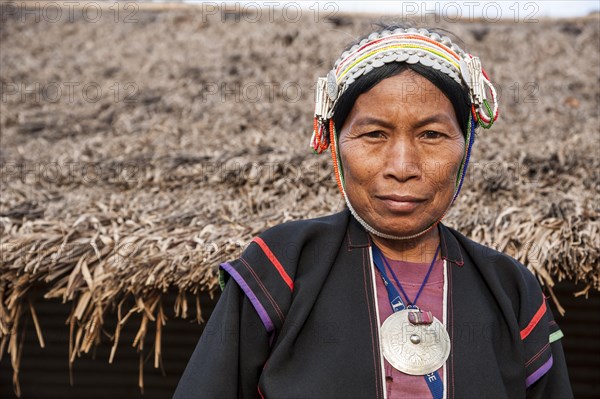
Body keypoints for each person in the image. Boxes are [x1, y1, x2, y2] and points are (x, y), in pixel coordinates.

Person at [173, 24, 573, 399]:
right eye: (374, 135)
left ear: (465, 147)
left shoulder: (511, 291)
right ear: (335, 142)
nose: (402, 166)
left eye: (432, 135)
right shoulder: (281, 269)